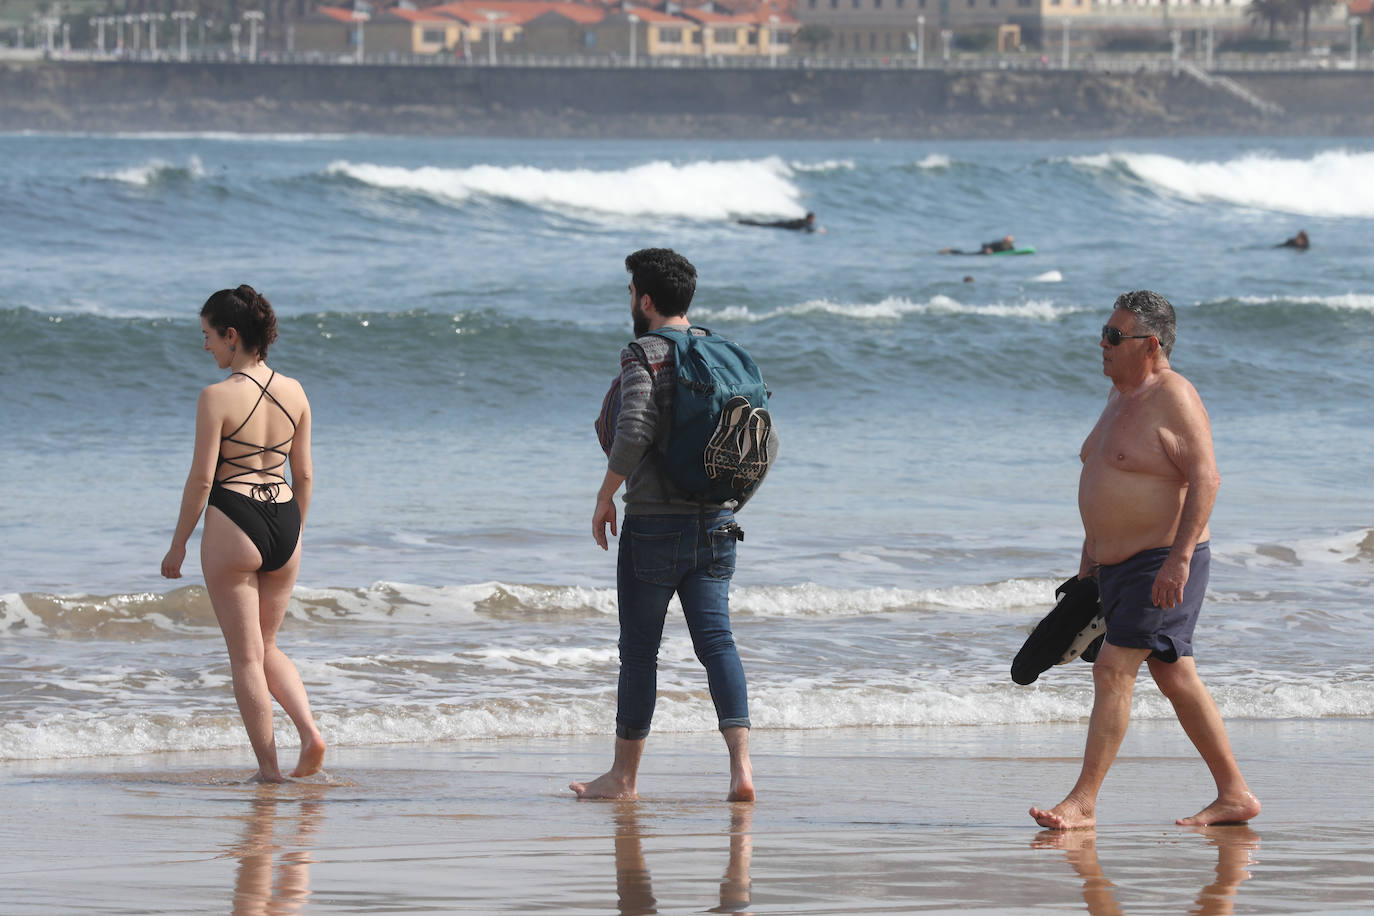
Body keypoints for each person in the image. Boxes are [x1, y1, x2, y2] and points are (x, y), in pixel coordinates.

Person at [1029, 290, 1260, 830]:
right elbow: (1107, 479)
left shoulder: (1174, 396)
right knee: (1175, 675)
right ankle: (1235, 794)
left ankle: (1082, 804)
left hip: (1160, 562)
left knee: (1113, 670)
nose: (1102, 345)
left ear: (1149, 344)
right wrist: (1090, 557)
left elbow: (1206, 478)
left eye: (1114, 336)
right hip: (1116, 569)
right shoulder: (1119, 396)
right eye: (1103, 333)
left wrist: (1178, 561)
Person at [570, 248, 759, 802]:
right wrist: (730, 504)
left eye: (631, 293)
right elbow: (759, 437)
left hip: (654, 526)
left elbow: (632, 430)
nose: (630, 301)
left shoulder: (644, 353)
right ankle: (741, 770)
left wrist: (605, 497)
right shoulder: (723, 353)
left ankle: (623, 779)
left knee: (639, 651)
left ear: (645, 300)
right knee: (718, 644)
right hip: (718, 525)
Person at [161, 285, 324, 783]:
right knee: (269, 647)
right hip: (285, 520)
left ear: (232, 336)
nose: (205, 346)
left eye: (208, 336)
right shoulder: (295, 391)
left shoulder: (215, 397)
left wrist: (178, 544)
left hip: (235, 518)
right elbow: (306, 477)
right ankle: (312, 734)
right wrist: (294, 530)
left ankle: (270, 771)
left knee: (247, 658)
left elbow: (203, 480)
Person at [737, 211, 816, 232]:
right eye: (813, 219)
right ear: (810, 218)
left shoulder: (802, 220)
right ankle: (744, 222)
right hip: (781, 225)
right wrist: (817, 231)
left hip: (781, 223)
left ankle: (744, 222)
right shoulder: (805, 223)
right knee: (762, 225)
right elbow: (808, 230)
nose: (814, 221)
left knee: (762, 224)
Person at [939, 234, 1015, 255]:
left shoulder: (1010, 247)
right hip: (983, 253)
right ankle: (950, 250)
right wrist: (988, 249)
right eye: (1008, 239)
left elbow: (1014, 251)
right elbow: (985, 245)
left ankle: (950, 250)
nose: (1010, 241)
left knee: (966, 254)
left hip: (991, 255)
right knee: (966, 254)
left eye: (1010, 240)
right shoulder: (998, 243)